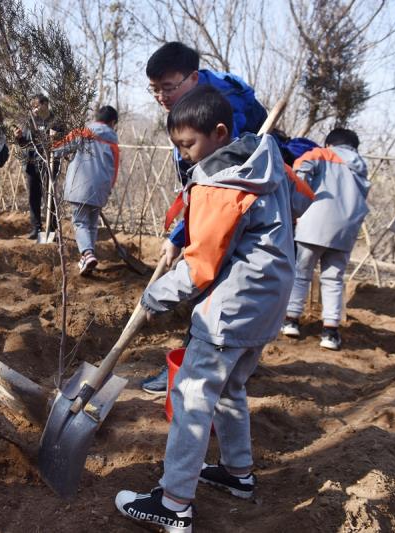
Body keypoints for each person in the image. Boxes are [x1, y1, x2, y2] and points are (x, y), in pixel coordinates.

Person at [115, 85, 295, 532]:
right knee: (231, 389)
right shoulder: (264, 164)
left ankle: (174, 504)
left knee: (192, 397)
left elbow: (201, 267)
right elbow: (304, 202)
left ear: (218, 133)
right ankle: (238, 475)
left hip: (231, 309)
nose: (184, 155)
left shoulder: (221, 184)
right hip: (267, 303)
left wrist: (154, 295)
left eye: (188, 145)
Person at [142, 41, 267, 395]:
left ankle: (195, 373)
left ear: (192, 78)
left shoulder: (223, 112)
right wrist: (178, 236)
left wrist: (183, 235)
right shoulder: (190, 107)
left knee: (212, 293)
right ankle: (221, 368)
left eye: (168, 87)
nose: (162, 96)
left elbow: (217, 192)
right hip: (217, 209)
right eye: (155, 90)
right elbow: (196, 184)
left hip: (238, 217)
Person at [281, 128, 370, 350]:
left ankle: (291, 320)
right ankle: (330, 332)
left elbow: (299, 172)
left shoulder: (320, 154)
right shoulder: (360, 166)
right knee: (334, 278)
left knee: (301, 273)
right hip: (346, 229)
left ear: (329, 143)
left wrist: (295, 206)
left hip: (314, 222)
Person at [56, 105, 119, 275]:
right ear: (113, 123)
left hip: (80, 186)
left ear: (96, 118)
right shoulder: (113, 143)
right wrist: (108, 189)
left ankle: (87, 254)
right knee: (91, 224)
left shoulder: (82, 132)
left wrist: (53, 141)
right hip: (101, 188)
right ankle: (87, 260)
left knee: (80, 222)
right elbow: (114, 169)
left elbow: (58, 149)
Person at [13, 94, 63, 239]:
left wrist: (57, 136)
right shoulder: (29, 121)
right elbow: (25, 144)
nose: (34, 109)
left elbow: (65, 140)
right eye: (33, 106)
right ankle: (36, 228)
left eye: (37, 106)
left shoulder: (56, 120)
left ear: (46, 105)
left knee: (50, 196)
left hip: (50, 163)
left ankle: (52, 230)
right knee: (33, 197)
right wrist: (19, 138)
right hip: (31, 163)